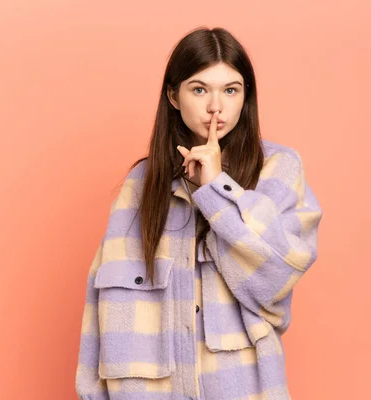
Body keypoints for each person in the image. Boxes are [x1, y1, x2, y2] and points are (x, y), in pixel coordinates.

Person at [75, 26, 323, 400]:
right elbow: (101, 300)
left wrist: (216, 188)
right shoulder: (141, 185)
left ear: (245, 96)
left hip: (239, 387)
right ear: (174, 96)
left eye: (230, 90)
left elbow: (274, 279)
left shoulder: (277, 169)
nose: (215, 107)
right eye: (199, 89)